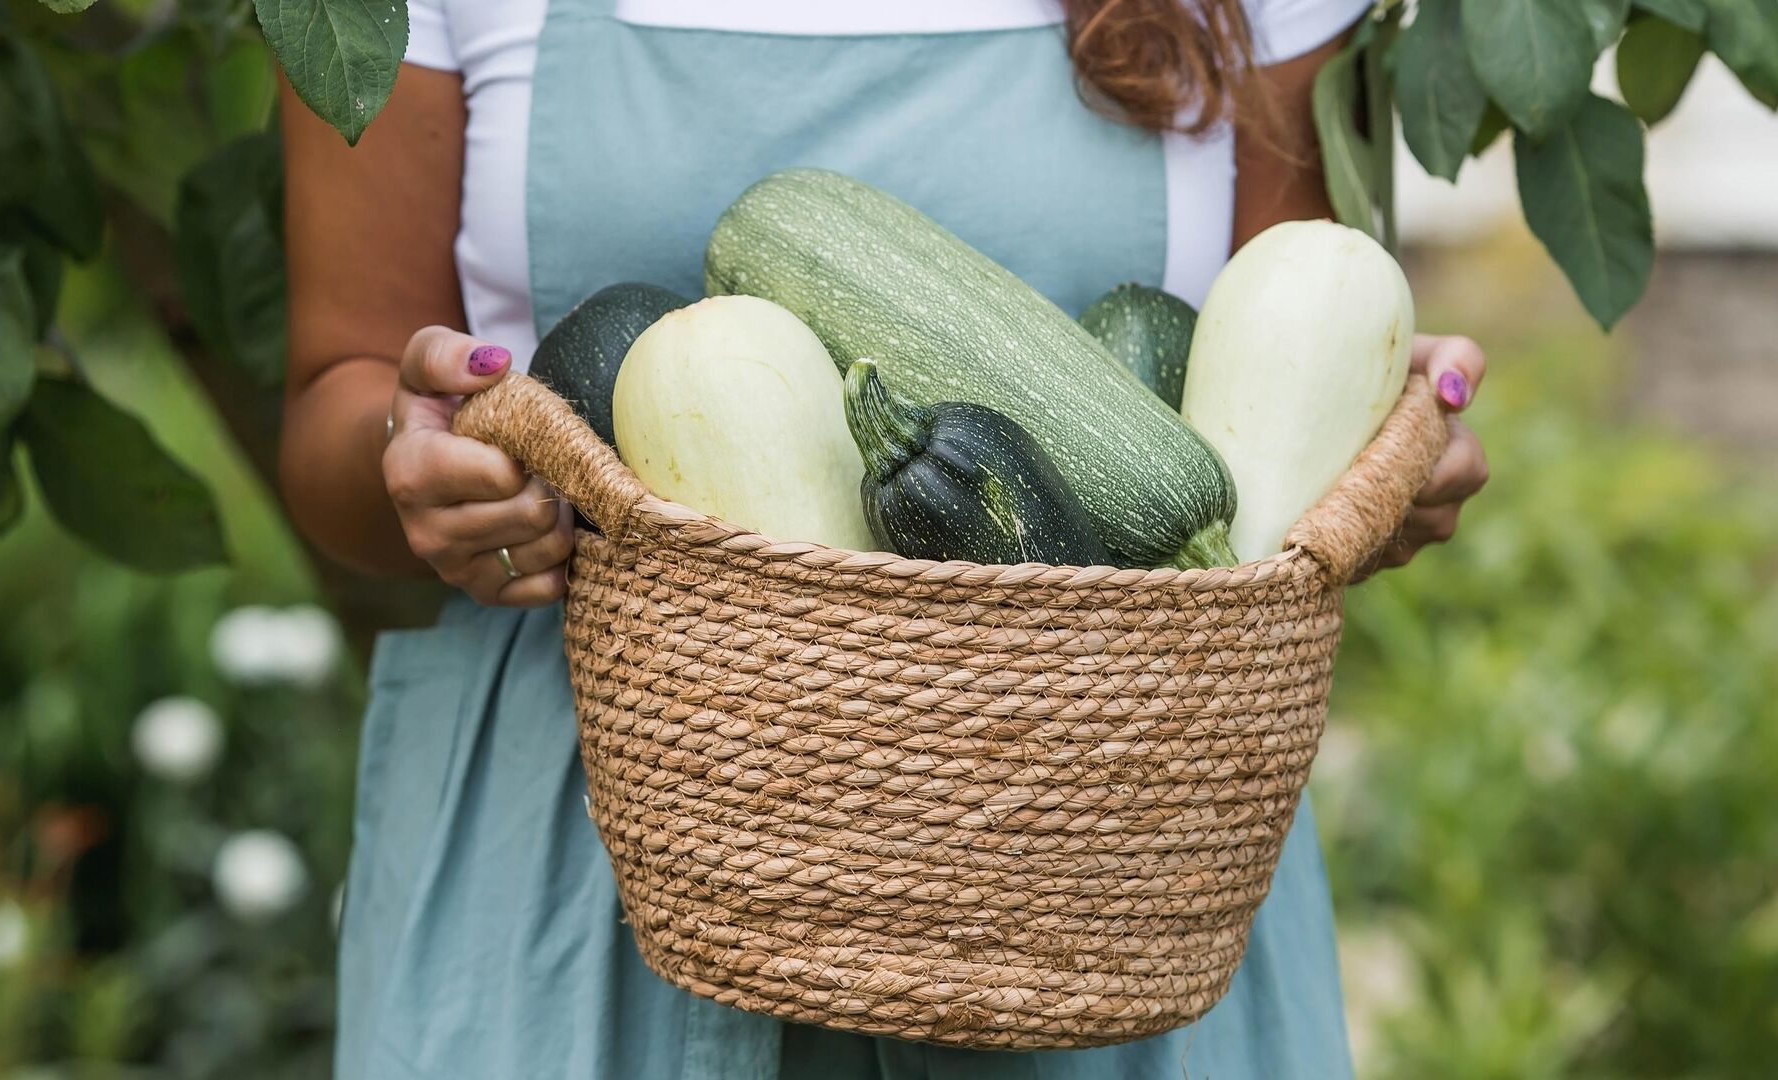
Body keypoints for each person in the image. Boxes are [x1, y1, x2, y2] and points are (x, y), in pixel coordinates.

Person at [277, 2, 1491, 1076]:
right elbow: (337, 394)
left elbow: (1280, 401)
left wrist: (1375, 455)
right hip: (569, 843)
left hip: (1109, 853)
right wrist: (417, 459)